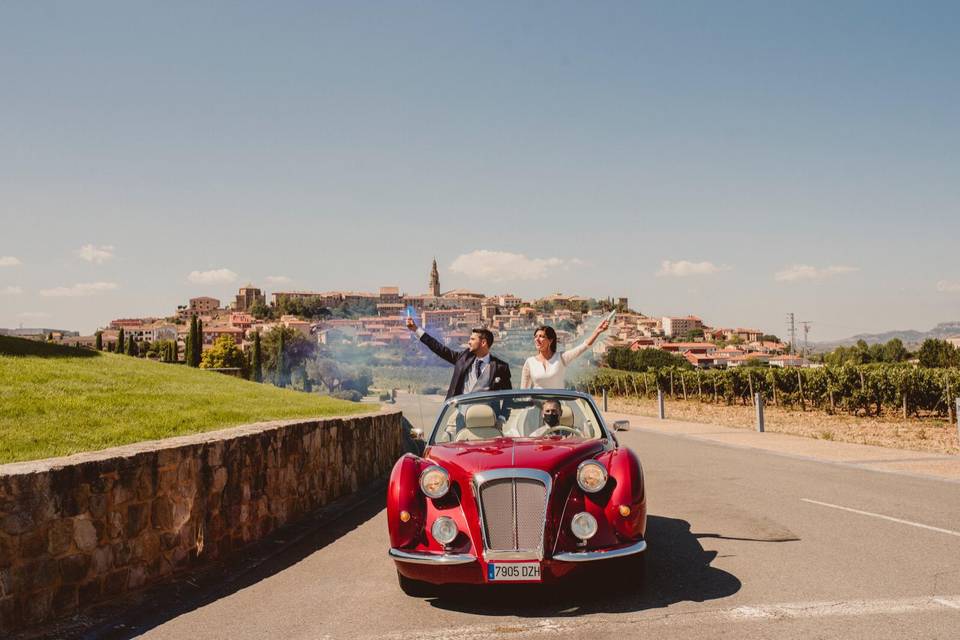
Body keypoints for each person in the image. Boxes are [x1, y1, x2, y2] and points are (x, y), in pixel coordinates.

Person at [406, 316, 512, 399]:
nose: (469, 342)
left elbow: (508, 396)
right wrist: (416, 329)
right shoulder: (463, 358)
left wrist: (502, 417)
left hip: (488, 419)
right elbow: (439, 348)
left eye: (472, 339)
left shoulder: (501, 367)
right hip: (461, 414)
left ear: (483, 342)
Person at [520, 320, 609, 389]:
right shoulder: (530, 362)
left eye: (541, 336)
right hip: (537, 407)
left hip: (556, 407)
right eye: (536, 336)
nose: (537, 339)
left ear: (550, 341)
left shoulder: (561, 358)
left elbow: (584, 346)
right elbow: (523, 392)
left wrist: (597, 331)